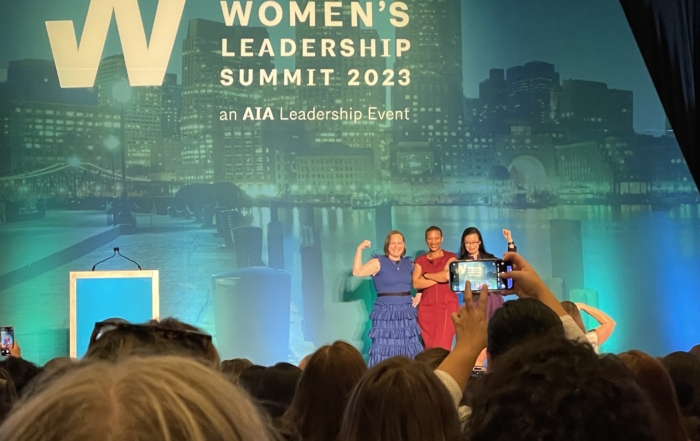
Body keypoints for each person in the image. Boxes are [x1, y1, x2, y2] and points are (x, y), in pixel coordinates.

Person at [352, 231, 423, 366]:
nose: (396, 246)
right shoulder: (378, 262)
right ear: (387, 245)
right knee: (385, 349)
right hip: (386, 313)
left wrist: (420, 293)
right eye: (392, 243)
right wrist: (359, 249)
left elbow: (421, 279)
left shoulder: (409, 263)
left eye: (399, 243)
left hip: (406, 313)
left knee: (407, 349)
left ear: (404, 245)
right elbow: (357, 271)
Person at [412, 226, 458, 350]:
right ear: (426, 240)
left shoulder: (451, 256)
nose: (433, 242)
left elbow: (446, 276)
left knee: (442, 348)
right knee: (428, 348)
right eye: (430, 239)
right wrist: (439, 277)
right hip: (426, 309)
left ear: (442, 239)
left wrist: (425, 275)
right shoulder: (420, 260)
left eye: (436, 238)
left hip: (447, 307)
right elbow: (416, 283)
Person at [458, 227, 517, 319]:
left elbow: (508, 265)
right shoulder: (460, 263)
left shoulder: (489, 258)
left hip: (494, 301)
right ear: (464, 243)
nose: (471, 245)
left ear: (479, 242)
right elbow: (460, 286)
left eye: (474, 242)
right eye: (468, 243)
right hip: (475, 303)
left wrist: (510, 241)